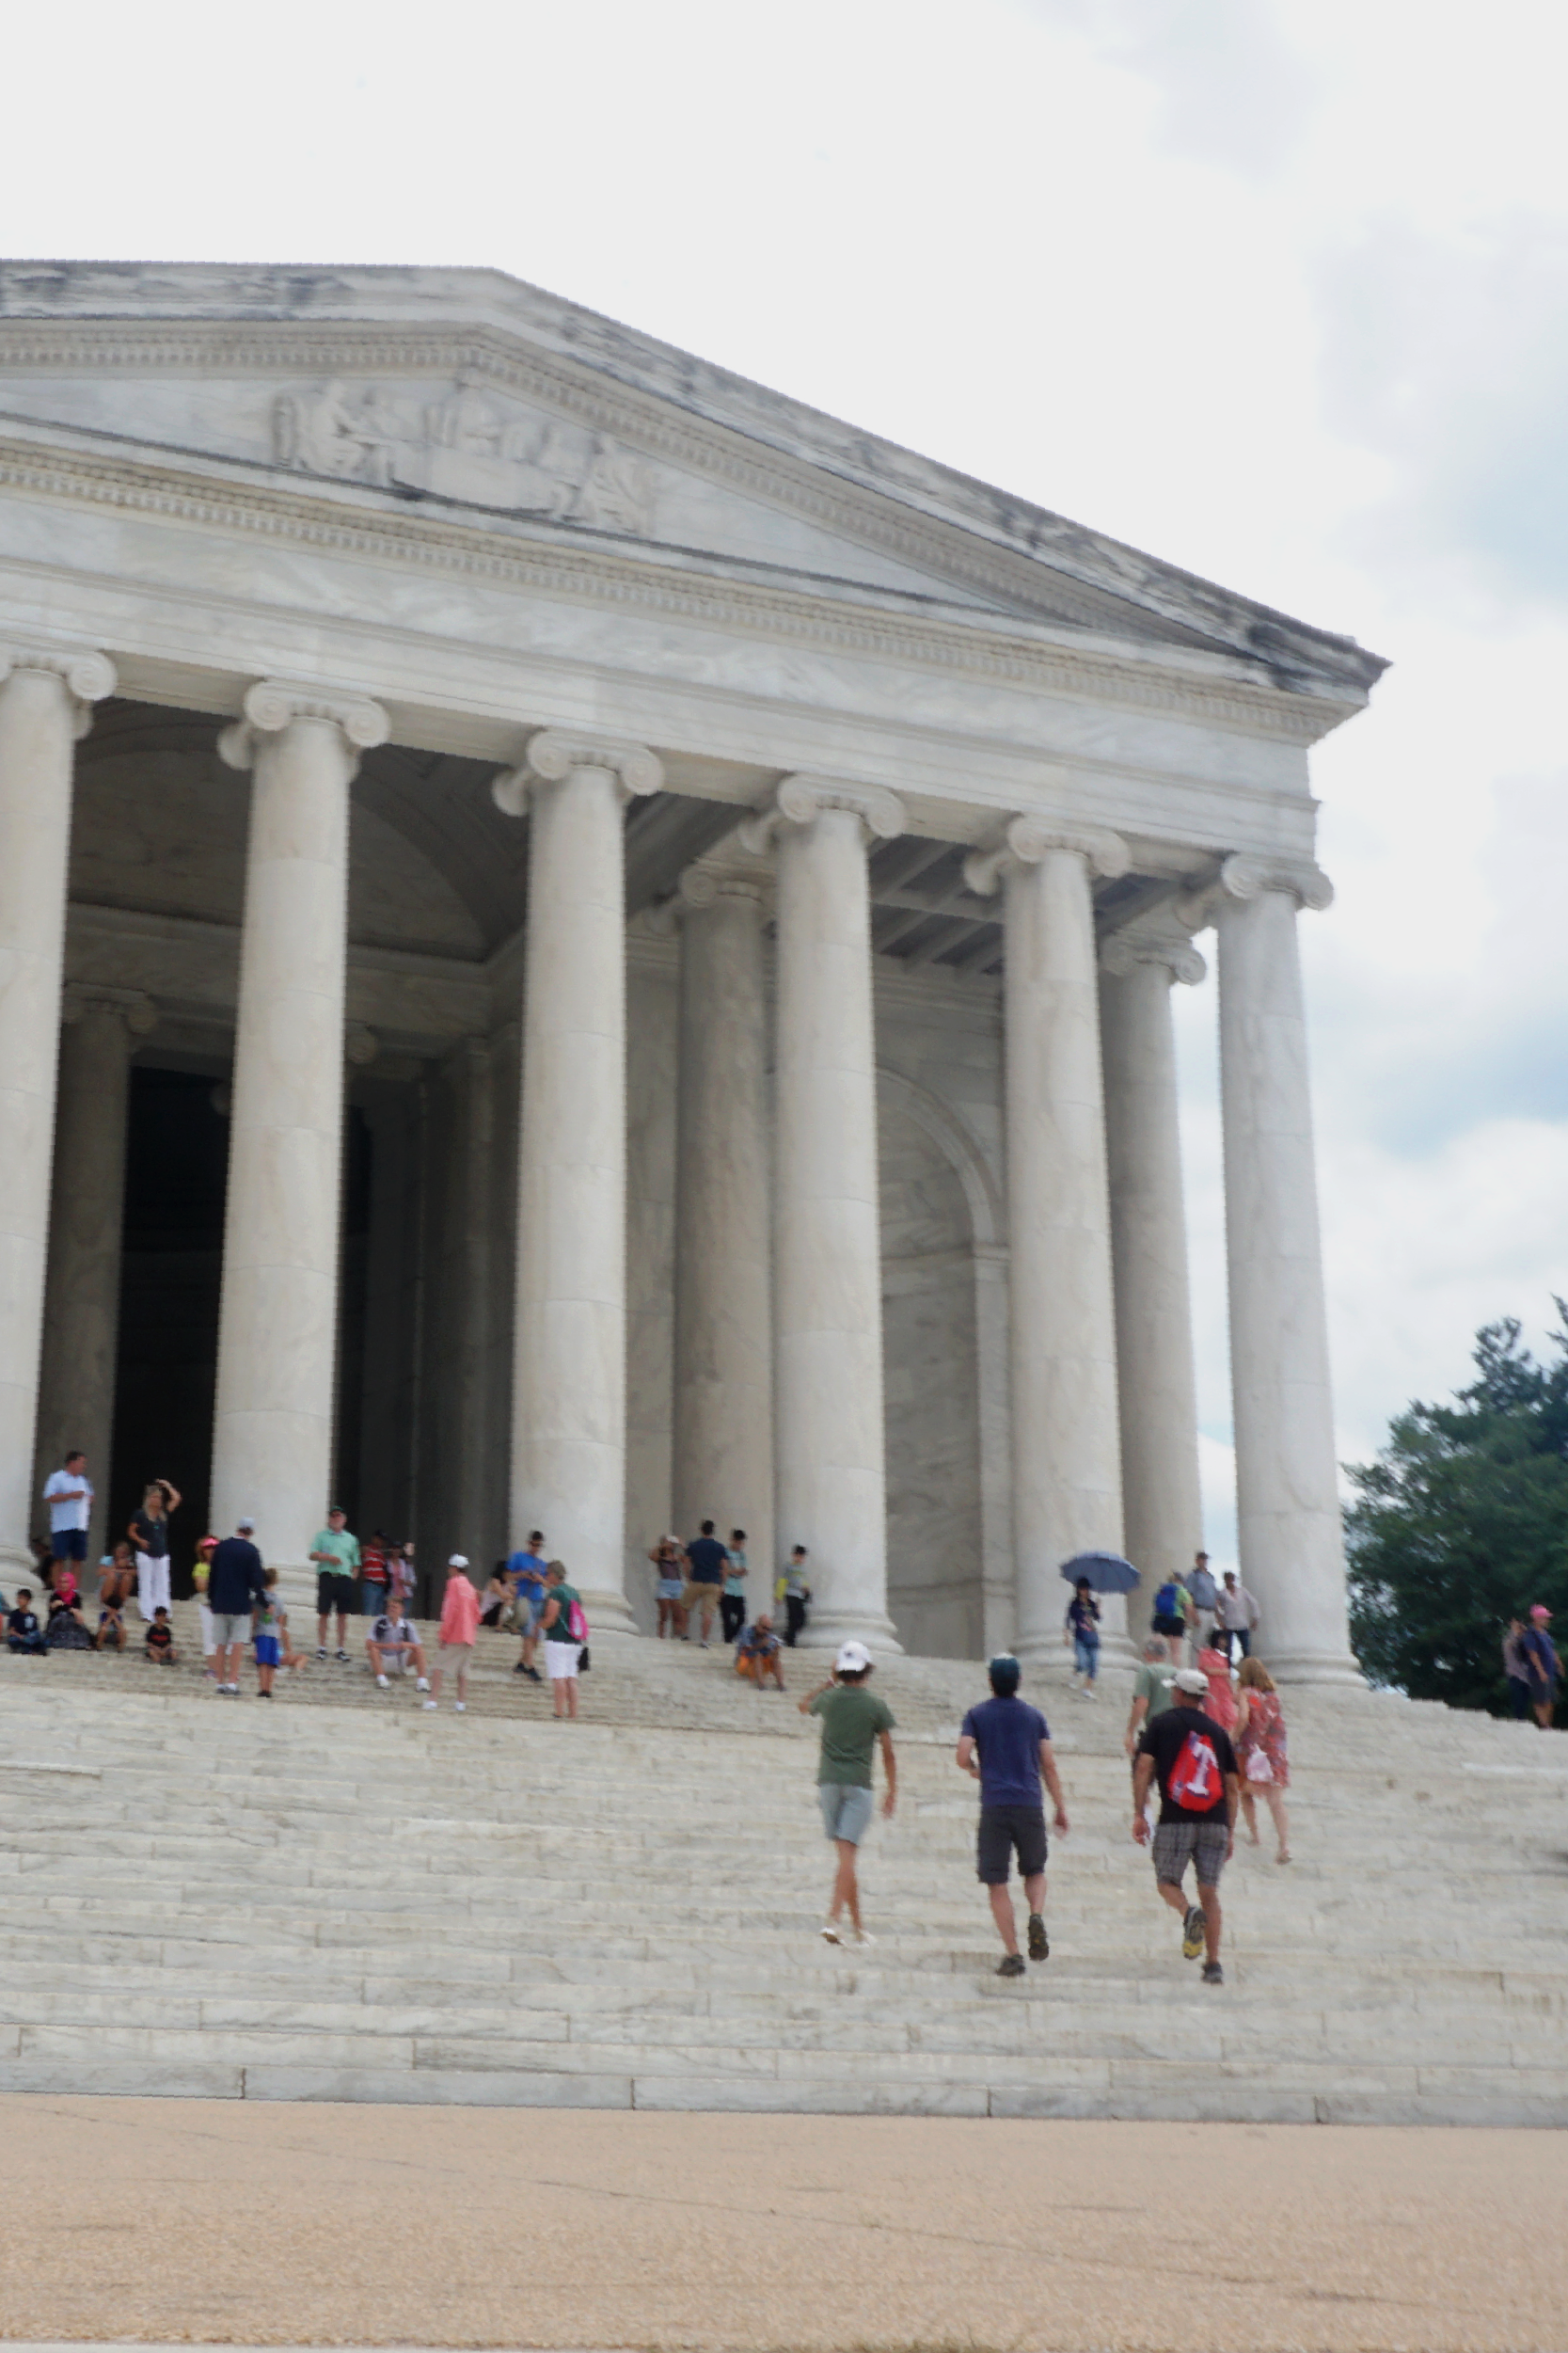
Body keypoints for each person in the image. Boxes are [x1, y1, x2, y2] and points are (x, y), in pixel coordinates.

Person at [957, 1655, 1069, 1977]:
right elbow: (1048, 1763)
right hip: (1030, 1803)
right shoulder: (1034, 1717)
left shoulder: (977, 1714)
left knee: (997, 1881)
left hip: (995, 1804)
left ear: (990, 1681)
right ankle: (1035, 1914)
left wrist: (976, 1769)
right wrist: (1060, 1806)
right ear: (1019, 1681)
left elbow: (962, 1755)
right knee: (1034, 1870)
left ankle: (1014, 1952)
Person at [1132, 1664, 1240, 1985]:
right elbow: (1232, 1786)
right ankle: (1214, 1963)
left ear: (1178, 1694)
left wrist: (1140, 1811)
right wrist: (1231, 1830)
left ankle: (1187, 1911)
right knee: (1210, 1892)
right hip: (1215, 1820)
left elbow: (1143, 1768)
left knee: (1167, 1881)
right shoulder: (1218, 1732)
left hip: (1176, 1817)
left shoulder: (1160, 1724)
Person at [799, 1643, 896, 1948]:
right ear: (867, 1670)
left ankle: (858, 1928)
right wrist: (893, 1789)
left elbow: (803, 1705)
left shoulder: (829, 1699)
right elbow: (889, 1752)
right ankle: (833, 1919)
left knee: (845, 1858)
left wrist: (828, 1682)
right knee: (847, 1857)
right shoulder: (876, 1705)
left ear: (840, 1669)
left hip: (828, 1783)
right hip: (858, 1785)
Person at [1234, 1657, 1291, 1862]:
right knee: (1276, 1802)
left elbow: (1243, 1718)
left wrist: (1233, 1737)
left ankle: (1255, 1835)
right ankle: (1284, 1845)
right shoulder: (1274, 1698)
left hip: (1250, 1751)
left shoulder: (1245, 1694)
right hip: (1275, 1753)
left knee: (1244, 1791)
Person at [208, 1517, 266, 1695]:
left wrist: (212, 1599)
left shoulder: (222, 1547)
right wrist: (264, 1602)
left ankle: (219, 1682)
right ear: (251, 1531)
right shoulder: (251, 1551)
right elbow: (256, 1581)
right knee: (238, 1643)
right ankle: (232, 1682)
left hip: (221, 1602)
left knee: (220, 1644)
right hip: (241, 1603)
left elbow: (213, 1575)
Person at [427, 1554, 480, 1711]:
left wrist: (444, 1634)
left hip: (456, 1633)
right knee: (462, 1670)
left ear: (455, 1568)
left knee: (438, 1665)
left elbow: (450, 1610)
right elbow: (477, 1614)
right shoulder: (470, 1588)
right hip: (469, 1634)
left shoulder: (454, 1584)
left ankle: (432, 1700)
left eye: (449, 1567)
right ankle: (460, 1703)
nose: (448, 1570)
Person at [310, 1506, 362, 1660]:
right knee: (324, 1612)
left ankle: (340, 1647)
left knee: (342, 1615)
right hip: (327, 1576)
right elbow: (312, 1554)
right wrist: (328, 1557)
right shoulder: (321, 1536)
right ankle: (322, 1646)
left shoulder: (351, 1539)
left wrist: (353, 1577)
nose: (335, 1518)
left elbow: (356, 1561)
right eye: (333, 1516)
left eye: (338, 1516)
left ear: (344, 1519)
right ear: (329, 1519)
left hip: (344, 1578)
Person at [128, 1477, 181, 1622]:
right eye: (154, 1497)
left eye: (159, 1497)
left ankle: (164, 1612)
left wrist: (168, 1486)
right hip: (145, 1553)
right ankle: (146, 1613)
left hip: (161, 1553)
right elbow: (131, 1531)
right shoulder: (140, 1514)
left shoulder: (163, 1514)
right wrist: (140, 1540)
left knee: (163, 1584)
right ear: (148, 1499)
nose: (157, 1500)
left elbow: (176, 1499)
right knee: (146, 1583)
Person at [539, 1561, 584, 1721]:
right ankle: (573, 1712)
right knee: (571, 1678)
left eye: (547, 1573)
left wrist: (539, 1625)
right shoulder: (574, 1593)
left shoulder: (555, 1593)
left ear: (552, 1574)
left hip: (557, 1639)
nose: (546, 1577)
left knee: (558, 1677)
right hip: (574, 1641)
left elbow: (551, 1618)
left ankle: (559, 1711)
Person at [41, 1450, 93, 1587]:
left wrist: (88, 1499)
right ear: (72, 1462)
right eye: (82, 1462)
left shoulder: (84, 1480)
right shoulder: (57, 1478)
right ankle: (58, 1589)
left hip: (80, 1525)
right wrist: (70, 1495)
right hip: (62, 1525)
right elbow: (49, 1496)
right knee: (59, 1558)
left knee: (78, 1559)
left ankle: (73, 1591)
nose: (84, 1466)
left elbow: (90, 1497)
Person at [1124, 1635, 1177, 1757]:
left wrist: (1130, 1732)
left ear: (1147, 1653)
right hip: (1177, 1726)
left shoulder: (1147, 1671)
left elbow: (1142, 1702)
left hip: (1156, 1727)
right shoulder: (1176, 1672)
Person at [507, 1530, 549, 1679]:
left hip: (538, 1600)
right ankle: (530, 1666)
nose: (536, 1548)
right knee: (528, 1632)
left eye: (538, 1545)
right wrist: (523, 1575)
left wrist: (539, 1579)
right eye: (534, 1544)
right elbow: (507, 1576)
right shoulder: (518, 1557)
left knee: (536, 1635)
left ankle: (522, 1663)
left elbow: (549, 1584)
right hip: (524, 1599)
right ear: (528, 1543)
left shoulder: (542, 1564)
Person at [682, 1519, 728, 1647]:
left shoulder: (694, 1545)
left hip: (696, 1580)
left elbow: (686, 1563)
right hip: (713, 1582)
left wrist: (688, 1578)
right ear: (713, 1531)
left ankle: (685, 1633)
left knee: (685, 1607)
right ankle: (704, 1639)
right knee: (708, 1612)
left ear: (701, 1530)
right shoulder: (719, 1547)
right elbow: (724, 1567)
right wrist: (722, 1584)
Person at [367, 1602, 430, 1692]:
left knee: (419, 1650)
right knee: (373, 1650)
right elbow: (368, 1644)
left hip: (401, 1658)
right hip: (383, 1658)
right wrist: (386, 1646)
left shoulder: (408, 1625)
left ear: (401, 1610)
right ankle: (381, 1679)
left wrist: (407, 1645)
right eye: (389, 1607)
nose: (391, 1609)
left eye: (395, 1607)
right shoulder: (378, 1623)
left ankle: (422, 1682)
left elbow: (418, 1645)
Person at [1521, 1604, 1560, 1729]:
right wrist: (1541, 1671)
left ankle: (1547, 1723)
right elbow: (1533, 1654)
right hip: (1537, 1672)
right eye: (1544, 1617)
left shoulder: (1546, 1634)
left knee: (1550, 1699)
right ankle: (1544, 1724)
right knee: (1541, 1700)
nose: (1547, 1620)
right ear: (1537, 1618)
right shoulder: (1531, 1634)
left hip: (1550, 1671)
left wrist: (1558, 1663)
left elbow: (1552, 1650)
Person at [1063, 1578, 1101, 1696]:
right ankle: (1075, 1675)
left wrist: (1098, 1608)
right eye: (1082, 1589)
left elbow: (1098, 1618)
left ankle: (1087, 1689)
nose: (1085, 1591)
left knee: (1094, 1664)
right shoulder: (1074, 1604)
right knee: (1082, 1662)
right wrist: (1066, 1635)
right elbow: (1068, 1619)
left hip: (1093, 1637)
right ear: (1078, 1590)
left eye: (1087, 1589)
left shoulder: (1092, 1604)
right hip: (1080, 1637)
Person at [1196, 1636, 1238, 1733]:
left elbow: (1227, 1674)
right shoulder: (1205, 1653)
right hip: (1211, 1688)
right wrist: (1225, 1672)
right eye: (1222, 1639)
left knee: (1229, 1714)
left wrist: (1231, 1690)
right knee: (1213, 1713)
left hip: (1223, 1689)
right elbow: (1209, 1670)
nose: (1224, 1642)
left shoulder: (1223, 1657)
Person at [1216, 1570, 1260, 1662]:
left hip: (1242, 1624)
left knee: (1246, 1649)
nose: (1230, 1581)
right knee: (1228, 1651)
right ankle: (1228, 1672)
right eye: (1228, 1579)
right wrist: (1220, 1620)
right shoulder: (1222, 1593)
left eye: (1232, 1579)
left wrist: (1255, 1617)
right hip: (1228, 1625)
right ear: (1225, 1580)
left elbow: (1253, 1602)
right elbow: (1217, 1607)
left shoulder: (1242, 1591)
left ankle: (1248, 1671)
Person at [735, 1612, 785, 1689]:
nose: (766, 1631)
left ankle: (780, 1684)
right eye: (764, 1628)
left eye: (768, 1629)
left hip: (760, 1666)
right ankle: (761, 1684)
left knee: (775, 1659)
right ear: (757, 1625)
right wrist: (761, 1645)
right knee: (758, 1655)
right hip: (744, 1663)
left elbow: (773, 1652)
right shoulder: (746, 1632)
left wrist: (776, 1650)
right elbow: (746, 1649)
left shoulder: (769, 1636)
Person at [648, 1535, 685, 1638]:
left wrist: (682, 1545)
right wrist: (661, 1546)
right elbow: (651, 1556)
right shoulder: (660, 1557)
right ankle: (661, 1636)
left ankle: (677, 1636)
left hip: (677, 1584)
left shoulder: (676, 1556)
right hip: (665, 1584)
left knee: (677, 1614)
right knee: (664, 1614)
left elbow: (687, 1558)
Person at [192, 1534, 218, 1677]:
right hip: (207, 1605)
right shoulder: (200, 1567)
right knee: (209, 1637)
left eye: (215, 1546)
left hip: (223, 1605)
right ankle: (212, 1668)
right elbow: (201, 1586)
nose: (212, 1550)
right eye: (208, 1547)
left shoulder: (224, 1566)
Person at [1149, 1569, 1190, 1661]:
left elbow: (1156, 1604)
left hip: (1160, 1619)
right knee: (1175, 1650)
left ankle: (1156, 1667)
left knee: (1158, 1647)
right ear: (1180, 1580)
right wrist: (1186, 1621)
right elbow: (1188, 1607)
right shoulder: (1181, 1590)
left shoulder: (1162, 1589)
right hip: (1176, 1619)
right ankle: (1175, 1672)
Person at [45, 1576, 94, 1648]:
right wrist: (71, 1610)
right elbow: (56, 1610)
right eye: (61, 1582)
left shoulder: (76, 1596)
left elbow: (77, 1610)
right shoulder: (55, 1595)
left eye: (65, 1582)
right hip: (57, 1623)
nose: (63, 1584)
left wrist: (64, 1605)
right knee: (63, 1616)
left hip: (72, 1622)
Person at [778, 1546, 812, 1647]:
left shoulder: (803, 1569)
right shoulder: (789, 1567)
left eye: (802, 1556)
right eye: (798, 1556)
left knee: (802, 1619)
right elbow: (782, 1581)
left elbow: (804, 1581)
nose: (800, 1558)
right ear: (794, 1555)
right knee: (792, 1618)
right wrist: (779, 1595)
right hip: (790, 1594)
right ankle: (790, 1640)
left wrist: (807, 1591)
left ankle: (787, 1635)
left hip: (800, 1596)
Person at [721, 1530, 750, 1645]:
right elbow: (724, 1570)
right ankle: (728, 1640)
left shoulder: (742, 1555)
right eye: (738, 1542)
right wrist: (735, 1571)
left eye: (741, 1543)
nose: (739, 1545)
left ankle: (731, 1636)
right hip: (726, 1588)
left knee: (741, 1617)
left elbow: (745, 1571)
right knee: (727, 1618)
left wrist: (732, 1571)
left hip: (738, 1590)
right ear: (732, 1540)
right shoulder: (725, 1552)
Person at [1187, 1551, 1220, 1652]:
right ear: (1197, 1561)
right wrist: (1194, 1614)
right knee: (1198, 1642)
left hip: (1211, 1612)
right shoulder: (1194, 1575)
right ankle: (1194, 1666)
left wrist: (1218, 1615)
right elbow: (1189, 1595)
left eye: (1205, 1559)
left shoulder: (1210, 1577)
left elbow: (1215, 1596)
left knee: (1209, 1642)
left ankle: (1205, 1666)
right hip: (1200, 1610)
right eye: (1202, 1559)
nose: (1204, 1561)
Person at [1502, 1616, 1533, 1721]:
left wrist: (1525, 1631)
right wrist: (1515, 1633)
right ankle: (1518, 1719)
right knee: (1518, 1699)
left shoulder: (1526, 1638)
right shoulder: (1508, 1639)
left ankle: (1522, 1718)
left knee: (1525, 1700)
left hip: (1526, 1675)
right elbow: (1509, 1647)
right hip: (1515, 1674)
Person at [94, 1559, 126, 1652]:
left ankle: (120, 1648)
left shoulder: (119, 1617)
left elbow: (120, 1627)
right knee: (103, 1629)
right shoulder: (103, 1615)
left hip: (114, 1635)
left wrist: (114, 1617)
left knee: (123, 1631)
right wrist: (109, 1617)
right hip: (105, 1634)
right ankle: (99, 1646)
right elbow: (103, 1626)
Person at [360, 1529, 391, 1617]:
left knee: (378, 1615)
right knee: (369, 1612)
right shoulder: (367, 1549)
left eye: (383, 1540)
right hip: (371, 1585)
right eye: (379, 1539)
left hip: (381, 1587)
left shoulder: (382, 1554)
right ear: (374, 1538)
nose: (381, 1542)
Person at [7, 1589, 45, 1655]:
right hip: (19, 1638)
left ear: (28, 1601)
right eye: (18, 1598)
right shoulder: (14, 1614)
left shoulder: (33, 1616)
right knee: (12, 1640)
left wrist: (29, 1637)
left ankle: (29, 1649)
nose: (19, 1600)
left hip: (30, 1637)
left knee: (42, 1638)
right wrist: (21, 1637)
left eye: (21, 1598)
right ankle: (30, 1650)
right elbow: (11, 1631)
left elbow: (36, 1632)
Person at [479, 1563, 514, 1630]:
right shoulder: (495, 1581)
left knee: (513, 1604)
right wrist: (511, 1596)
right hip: (487, 1613)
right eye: (509, 1572)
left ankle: (510, 1625)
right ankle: (499, 1625)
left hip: (496, 1613)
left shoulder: (507, 1583)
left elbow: (515, 1593)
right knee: (508, 1602)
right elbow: (502, 1595)